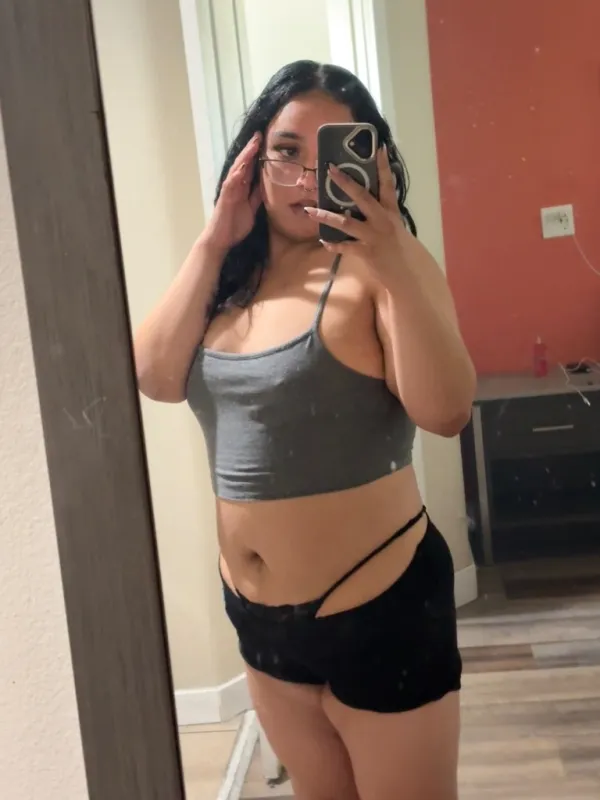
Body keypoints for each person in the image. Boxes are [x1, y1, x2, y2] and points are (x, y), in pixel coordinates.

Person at [134, 60, 476, 800]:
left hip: (379, 607)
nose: (305, 177)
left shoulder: (385, 268)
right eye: (286, 151)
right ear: (254, 157)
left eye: (332, 155)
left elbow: (446, 411)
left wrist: (391, 258)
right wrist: (214, 240)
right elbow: (156, 376)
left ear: (369, 164)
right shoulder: (229, 279)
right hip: (259, 621)